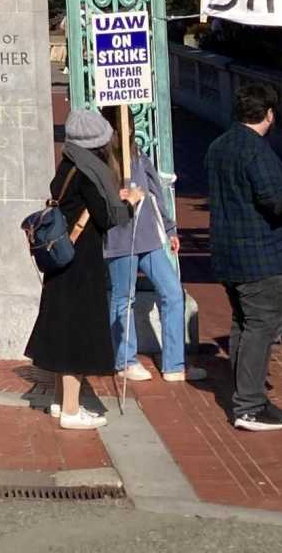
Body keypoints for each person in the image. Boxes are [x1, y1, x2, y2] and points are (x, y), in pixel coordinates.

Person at [205, 83, 282, 431]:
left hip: (230, 253)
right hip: (261, 256)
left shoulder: (218, 146)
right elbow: (278, 202)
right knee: (260, 328)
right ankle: (249, 406)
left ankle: (250, 397)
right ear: (269, 114)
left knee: (244, 325)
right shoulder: (255, 151)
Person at [27, 107, 135, 429]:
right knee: (76, 334)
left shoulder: (68, 165)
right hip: (81, 262)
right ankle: (72, 410)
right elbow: (105, 218)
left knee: (62, 331)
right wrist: (130, 203)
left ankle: (62, 402)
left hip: (62, 260)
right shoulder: (90, 173)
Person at [101, 106, 200, 384]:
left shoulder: (138, 154)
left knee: (172, 292)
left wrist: (169, 228)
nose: (128, 129)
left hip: (149, 235)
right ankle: (125, 359)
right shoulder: (103, 159)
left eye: (130, 123)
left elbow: (156, 191)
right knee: (124, 298)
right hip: (120, 238)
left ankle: (174, 363)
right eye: (123, 124)